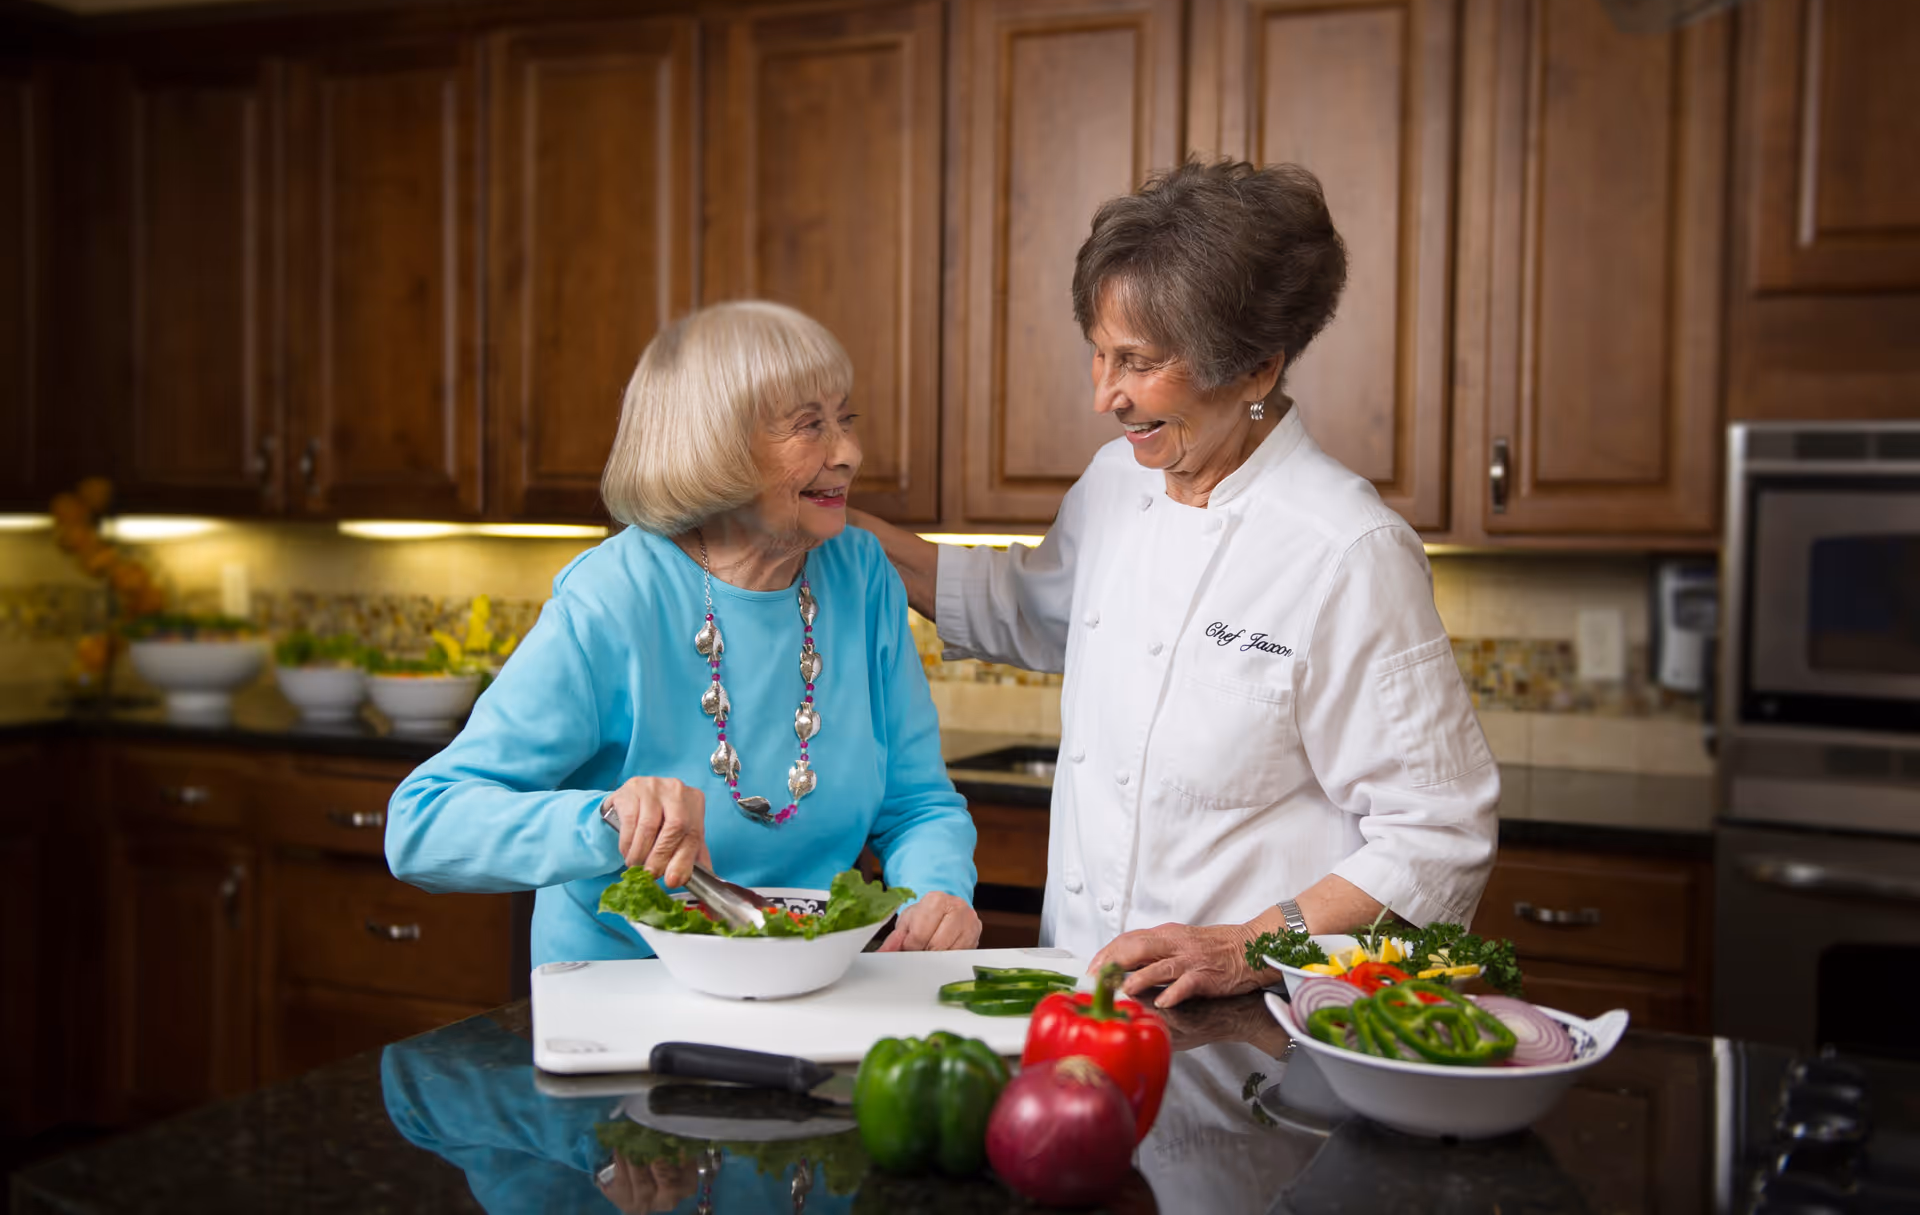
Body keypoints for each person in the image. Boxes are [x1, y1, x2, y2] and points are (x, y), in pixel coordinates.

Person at [852, 160, 1497, 1006]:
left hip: (1249, 1024)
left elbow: (1439, 835)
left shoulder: (1348, 549)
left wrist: (1241, 950)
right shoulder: (1117, 483)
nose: (1104, 396)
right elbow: (1034, 610)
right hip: (1085, 1001)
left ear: (1257, 368)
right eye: (1097, 353)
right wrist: (837, 524)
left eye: (1138, 361)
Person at [387, 301, 981, 965]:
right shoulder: (614, 597)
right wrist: (605, 820)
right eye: (810, 426)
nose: (849, 454)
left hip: (812, 985)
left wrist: (937, 894)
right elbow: (422, 826)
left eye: (845, 419)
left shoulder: (862, 577)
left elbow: (919, 804)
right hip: (625, 1001)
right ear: (716, 444)